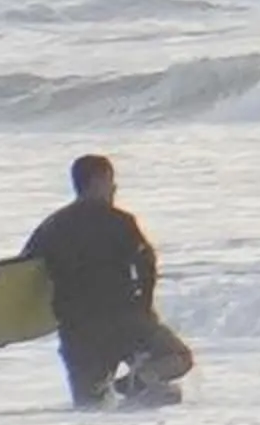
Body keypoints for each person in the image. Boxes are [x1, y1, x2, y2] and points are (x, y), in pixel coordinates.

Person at [22, 154, 194, 408]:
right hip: (123, 322)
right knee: (178, 357)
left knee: (89, 407)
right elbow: (146, 263)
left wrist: (10, 327)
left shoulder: (52, 226)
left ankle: (120, 402)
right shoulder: (119, 221)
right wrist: (145, 308)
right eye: (111, 181)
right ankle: (136, 383)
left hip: (77, 332)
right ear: (99, 181)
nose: (114, 188)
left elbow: (23, 273)